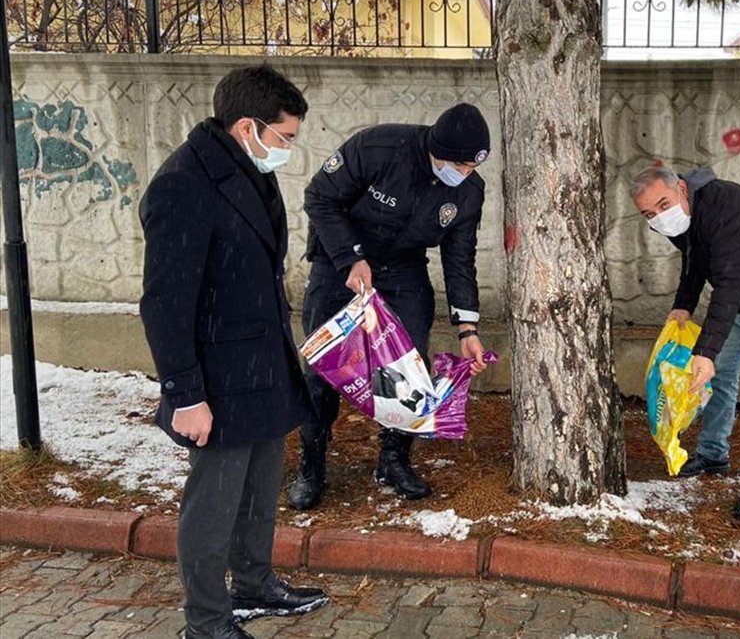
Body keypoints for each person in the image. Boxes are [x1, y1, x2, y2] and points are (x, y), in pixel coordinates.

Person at [139, 64, 328, 639]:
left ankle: (253, 583)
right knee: (213, 502)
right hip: (217, 380)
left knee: (260, 483)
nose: (289, 149)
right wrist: (184, 394)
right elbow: (165, 302)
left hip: (262, 363)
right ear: (248, 126)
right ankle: (207, 620)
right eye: (285, 137)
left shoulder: (245, 165)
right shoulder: (184, 184)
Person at [287, 103, 492, 509]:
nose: (464, 174)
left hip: (402, 268)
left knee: (410, 366)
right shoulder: (379, 147)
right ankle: (312, 463)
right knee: (323, 364)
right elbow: (320, 197)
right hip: (338, 260)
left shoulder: (468, 191)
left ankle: (394, 459)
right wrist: (350, 256)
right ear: (437, 150)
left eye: (472, 168)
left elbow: (459, 258)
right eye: (459, 165)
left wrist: (467, 327)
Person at [631, 165, 740, 522]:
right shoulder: (683, 216)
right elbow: (695, 258)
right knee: (718, 380)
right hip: (737, 302)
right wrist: (683, 303)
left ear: (682, 188)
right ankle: (713, 453)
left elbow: (729, 279)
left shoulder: (725, 205)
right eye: (649, 214)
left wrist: (706, 351)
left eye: (664, 204)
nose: (660, 218)